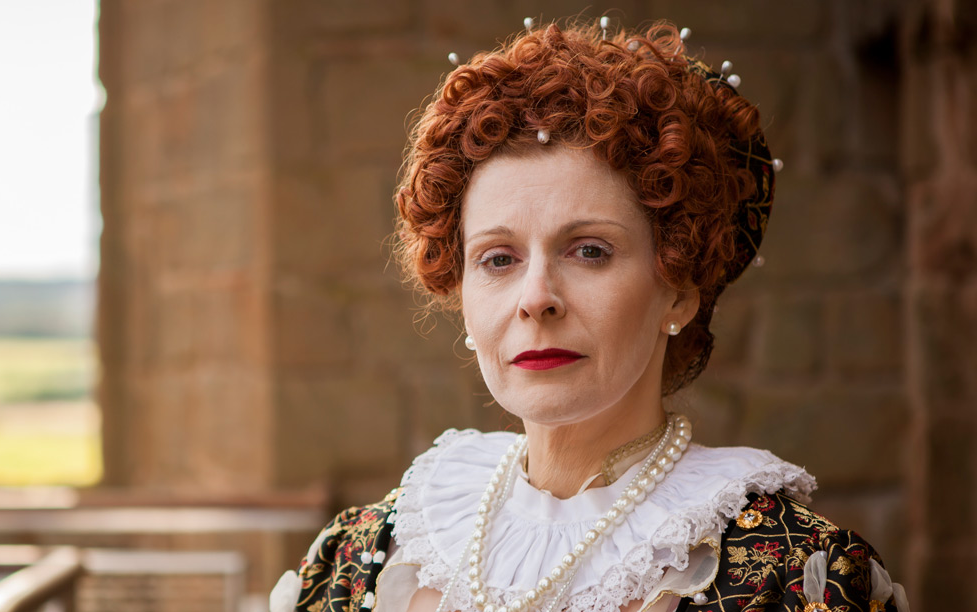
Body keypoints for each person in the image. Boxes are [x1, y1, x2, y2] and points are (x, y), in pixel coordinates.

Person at [268, 18, 908, 612]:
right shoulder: (359, 562)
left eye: (590, 251)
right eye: (497, 258)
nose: (536, 296)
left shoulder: (789, 578)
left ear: (679, 287)